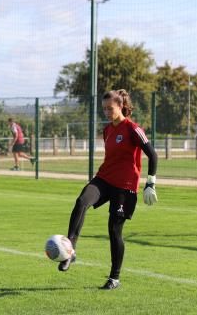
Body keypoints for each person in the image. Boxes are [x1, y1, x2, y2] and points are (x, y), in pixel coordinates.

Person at [58, 89, 158, 290]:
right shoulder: (107, 130)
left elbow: (153, 155)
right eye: (103, 109)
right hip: (104, 179)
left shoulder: (133, 129)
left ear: (120, 106)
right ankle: (70, 250)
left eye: (109, 108)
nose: (106, 112)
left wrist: (150, 182)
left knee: (114, 231)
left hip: (125, 187)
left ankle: (114, 278)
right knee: (82, 201)